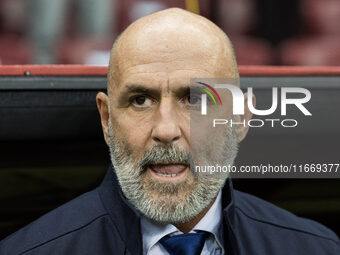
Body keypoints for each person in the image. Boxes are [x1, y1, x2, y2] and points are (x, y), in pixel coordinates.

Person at [0, 8, 339, 255]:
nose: (165, 130)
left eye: (194, 99)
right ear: (106, 120)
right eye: (140, 100)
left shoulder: (318, 248)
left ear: (240, 118)